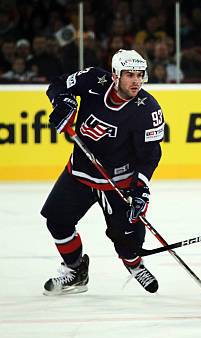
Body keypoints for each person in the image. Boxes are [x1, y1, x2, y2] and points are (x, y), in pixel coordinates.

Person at [42, 49, 165, 295]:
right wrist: (64, 102)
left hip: (117, 182)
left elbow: (150, 154)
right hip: (80, 172)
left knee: (127, 238)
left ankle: (134, 264)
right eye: (129, 75)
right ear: (114, 76)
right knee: (57, 220)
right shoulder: (93, 81)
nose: (136, 81)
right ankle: (76, 270)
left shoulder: (147, 109)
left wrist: (140, 188)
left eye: (140, 75)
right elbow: (57, 85)